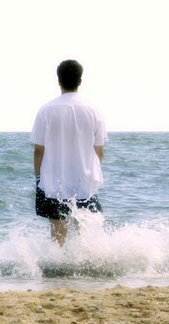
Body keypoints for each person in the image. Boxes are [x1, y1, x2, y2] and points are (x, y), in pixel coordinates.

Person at [30, 60, 108, 246]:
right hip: (85, 181)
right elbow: (99, 149)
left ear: (59, 80)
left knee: (57, 235)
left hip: (53, 181)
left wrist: (39, 177)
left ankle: (58, 272)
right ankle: (80, 270)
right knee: (83, 231)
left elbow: (39, 149)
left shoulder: (46, 110)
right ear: (80, 80)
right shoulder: (94, 111)